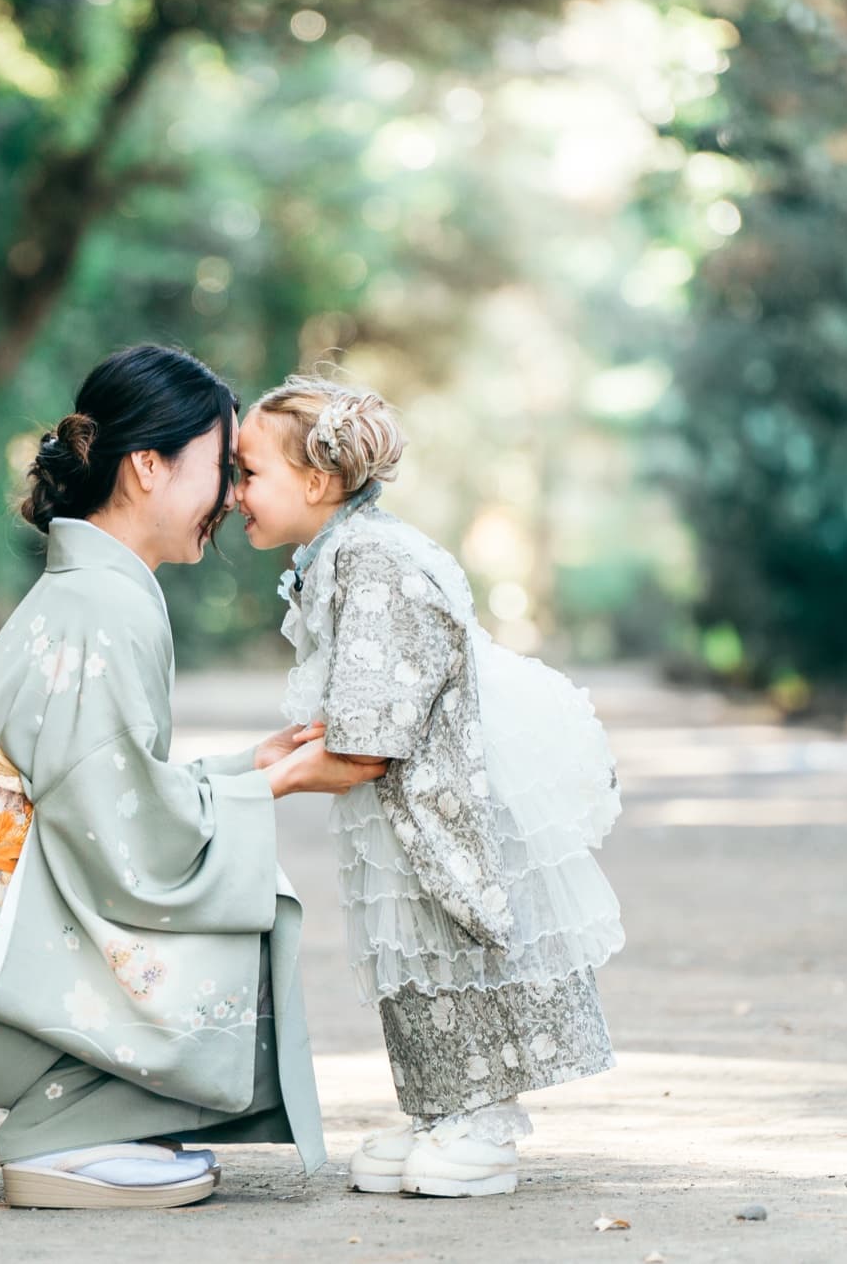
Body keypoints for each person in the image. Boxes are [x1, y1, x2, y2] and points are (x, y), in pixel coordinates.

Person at [0, 346, 385, 1209]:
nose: (232, 496)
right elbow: (126, 847)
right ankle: (60, 1136)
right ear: (147, 467)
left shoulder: (92, 590)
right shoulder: (103, 605)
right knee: (238, 909)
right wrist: (273, 787)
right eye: (222, 467)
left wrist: (244, 768)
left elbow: (101, 794)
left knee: (226, 878)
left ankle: (83, 1122)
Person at [232, 373, 626, 1198]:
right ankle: (441, 1108)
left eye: (249, 473)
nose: (235, 494)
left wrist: (257, 783)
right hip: (407, 802)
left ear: (317, 480)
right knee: (411, 948)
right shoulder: (341, 552)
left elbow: (368, 741)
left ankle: (486, 1121)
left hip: (445, 790)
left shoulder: (373, 555)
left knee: (457, 939)